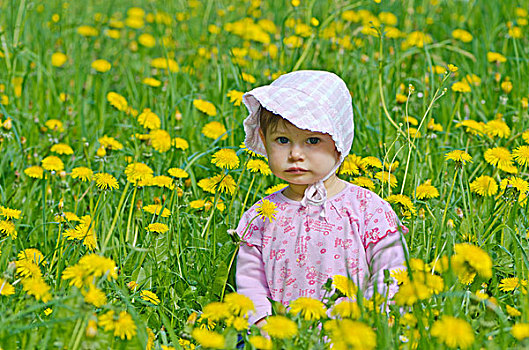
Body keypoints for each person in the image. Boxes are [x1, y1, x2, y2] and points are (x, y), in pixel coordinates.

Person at [235, 70, 407, 327]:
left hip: (353, 336)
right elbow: (250, 284)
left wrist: (372, 321)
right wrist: (262, 325)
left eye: (312, 140)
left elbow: (391, 271)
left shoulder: (367, 209)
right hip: (285, 339)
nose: (295, 154)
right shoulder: (261, 215)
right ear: (263, 139)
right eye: (282, 140)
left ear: (339, 141)